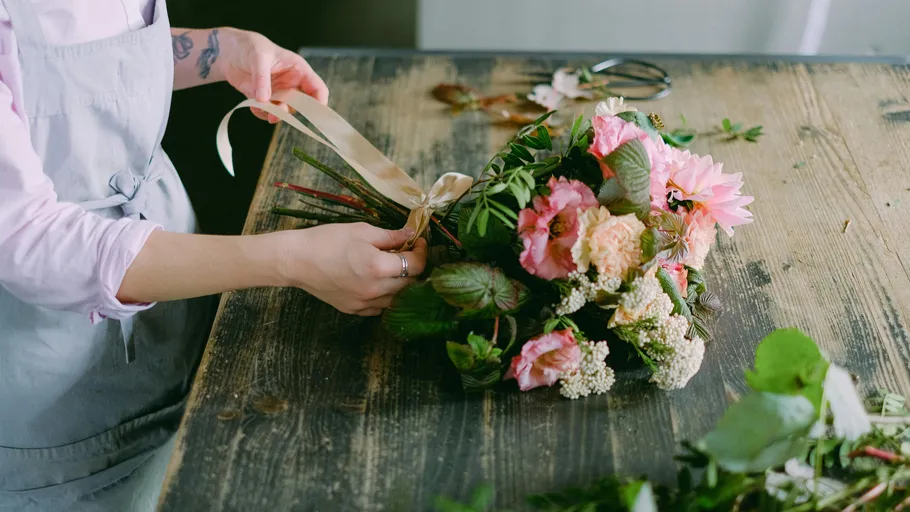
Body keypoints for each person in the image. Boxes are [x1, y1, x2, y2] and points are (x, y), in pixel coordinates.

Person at [0, 1, 427, 510]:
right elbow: (26, 239)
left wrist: (219, 50)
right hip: (51, 378)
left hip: (174, 302)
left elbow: (61, 66)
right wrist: (291, 260)